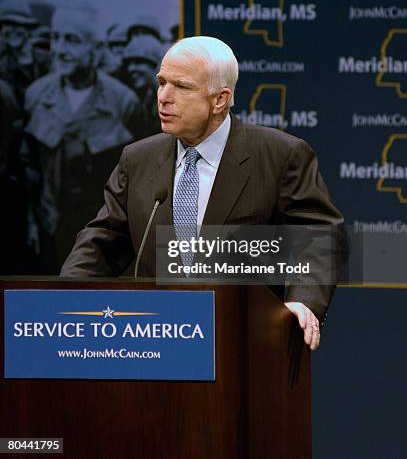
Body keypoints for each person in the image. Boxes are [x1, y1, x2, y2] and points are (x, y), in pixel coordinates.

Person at [61, 36, 346, 351]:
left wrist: (304, 302)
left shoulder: (280, 155)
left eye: (181, 87)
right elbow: (103, 240)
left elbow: (319, 235)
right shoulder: (138, 158)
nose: (163, 97)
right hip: (155, 341)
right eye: (161, 82)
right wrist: (62, 300)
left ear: (220, 99)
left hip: (244, 344)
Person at [23, 3, 140, 273]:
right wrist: (30, 221)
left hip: (105, 236)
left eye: (72, 40)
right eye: (56, 38)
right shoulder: (36, 96)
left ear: (95, 49)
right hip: (47, 230)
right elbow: (28, 170)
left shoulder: (123, 102)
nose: (60, 50)